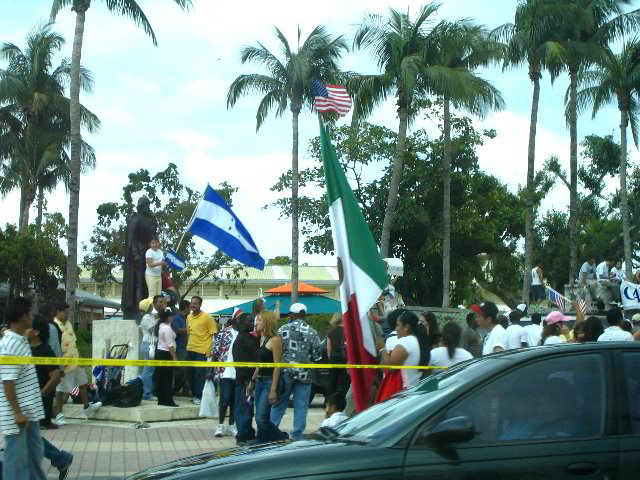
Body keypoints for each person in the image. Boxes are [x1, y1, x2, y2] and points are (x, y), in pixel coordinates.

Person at [0, 297, 47, 480]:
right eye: (30, 312)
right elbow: (7, 382)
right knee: (16, 463)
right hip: (17, 415)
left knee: (35, 456)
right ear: (22, 316)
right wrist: (17, 413)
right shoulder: (10, 346)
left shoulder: (19, 339)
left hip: (30, 411)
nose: (32, 317)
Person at [270, 303, 323, 440]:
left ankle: (270, 430)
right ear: (304, 314)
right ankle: (297, 435)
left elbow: (276, 350)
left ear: (292, 315)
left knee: (280, 403)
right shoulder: (313, 332)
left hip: (286, 372)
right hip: (305, 374)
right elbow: (317, 356)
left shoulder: (283, 329)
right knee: (301, 406)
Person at [53, 302, 101, 425]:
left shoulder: (68, 324)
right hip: (64, 364)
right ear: (57, 311)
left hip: (76, 361)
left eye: (68, 312)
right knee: (61, 389)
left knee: (83, 383)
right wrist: (59, 366)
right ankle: (59, 414)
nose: (67, 314)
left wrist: (80, 360)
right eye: (65, 312)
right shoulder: (54, 326)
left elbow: (74, 343)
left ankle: (87, 407)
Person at [248, 311, 288, 444]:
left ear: (266, 322)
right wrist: (252, 381)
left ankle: (282, 437)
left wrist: (273, 389)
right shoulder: (262, 338)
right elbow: (260, 364)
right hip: (259, 381)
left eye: (259, 320)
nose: (256, 323)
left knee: (261, 419)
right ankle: (261, 443)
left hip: (269, 382)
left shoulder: (275, 340)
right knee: (260, 417)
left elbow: (277, 366)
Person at [376, 310, 430, 388]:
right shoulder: (413, 340)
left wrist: (382, 348)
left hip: (402, 390)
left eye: (398, 325)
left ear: (406, 327)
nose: (396, 329)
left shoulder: (406, 341)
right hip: (410, 387)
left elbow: (390, 367)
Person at [28, 315, 61, 430]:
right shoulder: (25, 348)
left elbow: (56, 377)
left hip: (40, 414)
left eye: (28, 327)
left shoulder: (45, 351)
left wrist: (40, 395)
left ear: (36, 332)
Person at [212, 309, 241, 438]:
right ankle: (220, 425)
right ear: (234, 319)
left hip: (239, 373)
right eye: (239, 318)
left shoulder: (245, 334)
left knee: (235, 401)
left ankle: (232, 425)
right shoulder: (224, 333)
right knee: (224, 400)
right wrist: (211, 369)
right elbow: (215, 351)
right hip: (225, 372)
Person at [232, 313, 258, 445]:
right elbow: (240, 364)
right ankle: (242, 435)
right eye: (249, 321)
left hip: (251, 380)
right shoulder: (240, 340)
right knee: (244, 409)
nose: (252, 323)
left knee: (248, 408)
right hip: (244, 382)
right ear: (242, 323)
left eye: (253, 321)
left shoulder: (251, 339)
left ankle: (248, 432)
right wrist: (247, 381)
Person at [186, 295, 217, 405]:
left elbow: (215, 334)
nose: (193, 305)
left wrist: (213, 350)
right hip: (190, 349)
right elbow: (188, 332)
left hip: (202, 350)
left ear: (200, 305)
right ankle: (195, 395)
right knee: (190, 374)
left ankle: (199, 396)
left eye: (195, 303)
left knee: (199, 375)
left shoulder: (207, 317)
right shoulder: (189, 317)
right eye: (191, 303)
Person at [139, 295, 165, 401]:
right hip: (149, 345)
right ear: (149, 306)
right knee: (148, 370)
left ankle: (147, 391)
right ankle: (147, 393)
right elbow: (154, 330)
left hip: (150, 344)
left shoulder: (149, 316)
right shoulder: (146, 318)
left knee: (149, 369)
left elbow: (157, 316)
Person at [154, 308, 178, 407]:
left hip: (160, 353)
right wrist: (175, 358)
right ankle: (168, 400)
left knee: (160, 377)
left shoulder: (161, 326)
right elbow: (170, 344)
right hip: (166, 354)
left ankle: (161, 399)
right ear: (168, 317)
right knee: (167, 378)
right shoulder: (167, 328)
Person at [326, 314, 350, 397]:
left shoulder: (330, 332)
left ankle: (329, 400)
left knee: (332, 380)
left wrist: (330, 358)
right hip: (345, 358)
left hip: (334, 358)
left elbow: (328, 349)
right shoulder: (348, 331)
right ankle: (345, 400)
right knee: (346, 381)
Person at [171, 299, 190, 396]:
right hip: (178, 348)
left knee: (186, 370)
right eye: (189, 307)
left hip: (184, 347)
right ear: (186, 308)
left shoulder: (185, 318)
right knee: (180, 370)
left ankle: (185, 390)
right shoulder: (176, 318)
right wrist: (187, 330)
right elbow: (176, 331)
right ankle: (175, 389)